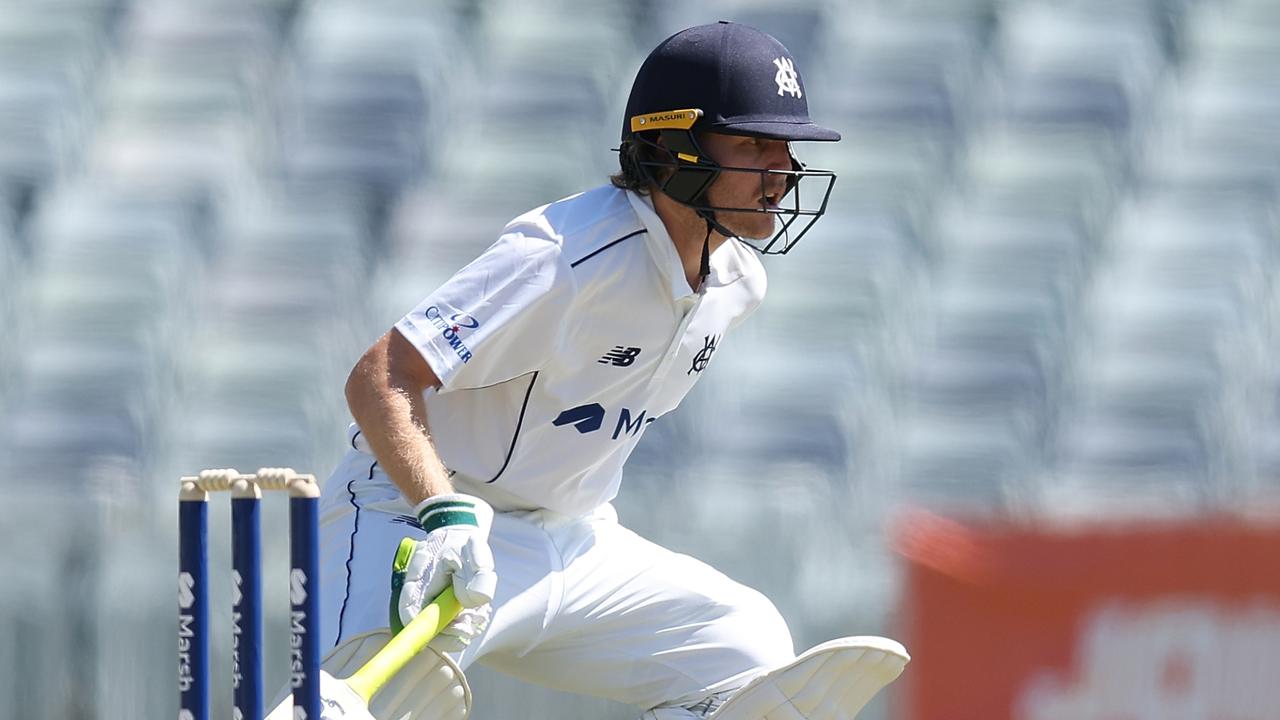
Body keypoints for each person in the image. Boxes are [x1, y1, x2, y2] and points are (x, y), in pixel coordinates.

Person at [316, 21, 906, 720]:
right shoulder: (565, 255)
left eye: (786, 147)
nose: (781, 170)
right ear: (671, 147)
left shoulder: (737, 284)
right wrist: (442, 514)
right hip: (415, 521)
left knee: (745, 647)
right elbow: (380, 373)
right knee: (378, 700)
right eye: (752, 143)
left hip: (570, 541)